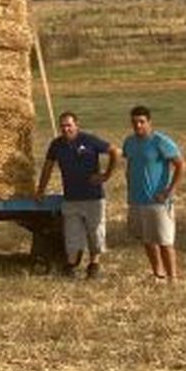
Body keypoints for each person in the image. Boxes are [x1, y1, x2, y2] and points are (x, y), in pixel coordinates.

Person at [34, 111, 119, 279]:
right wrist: (40, 190)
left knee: (95, 234)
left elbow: (114, 151)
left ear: (76, 125)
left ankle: (94, 265)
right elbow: (48, 167)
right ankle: (71, 265)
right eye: (63, 126)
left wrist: (106, 175)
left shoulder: (89, 140)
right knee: (72, 237)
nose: (66, 129)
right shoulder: (56, 144)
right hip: (71, 198)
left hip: (93, 198)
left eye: (69, 125)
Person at [123, 105, 186, 282]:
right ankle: (158, 274)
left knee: (165, 241)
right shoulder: (129, 142)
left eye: (142, 122)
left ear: (149, 122)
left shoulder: (160, 141)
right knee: (148, 240)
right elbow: (130, 165)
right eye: (134, 122)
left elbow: (180, 164)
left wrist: (169, 191)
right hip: (137, 199)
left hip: (158, 201)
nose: (138, 126)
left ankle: (173, 278)